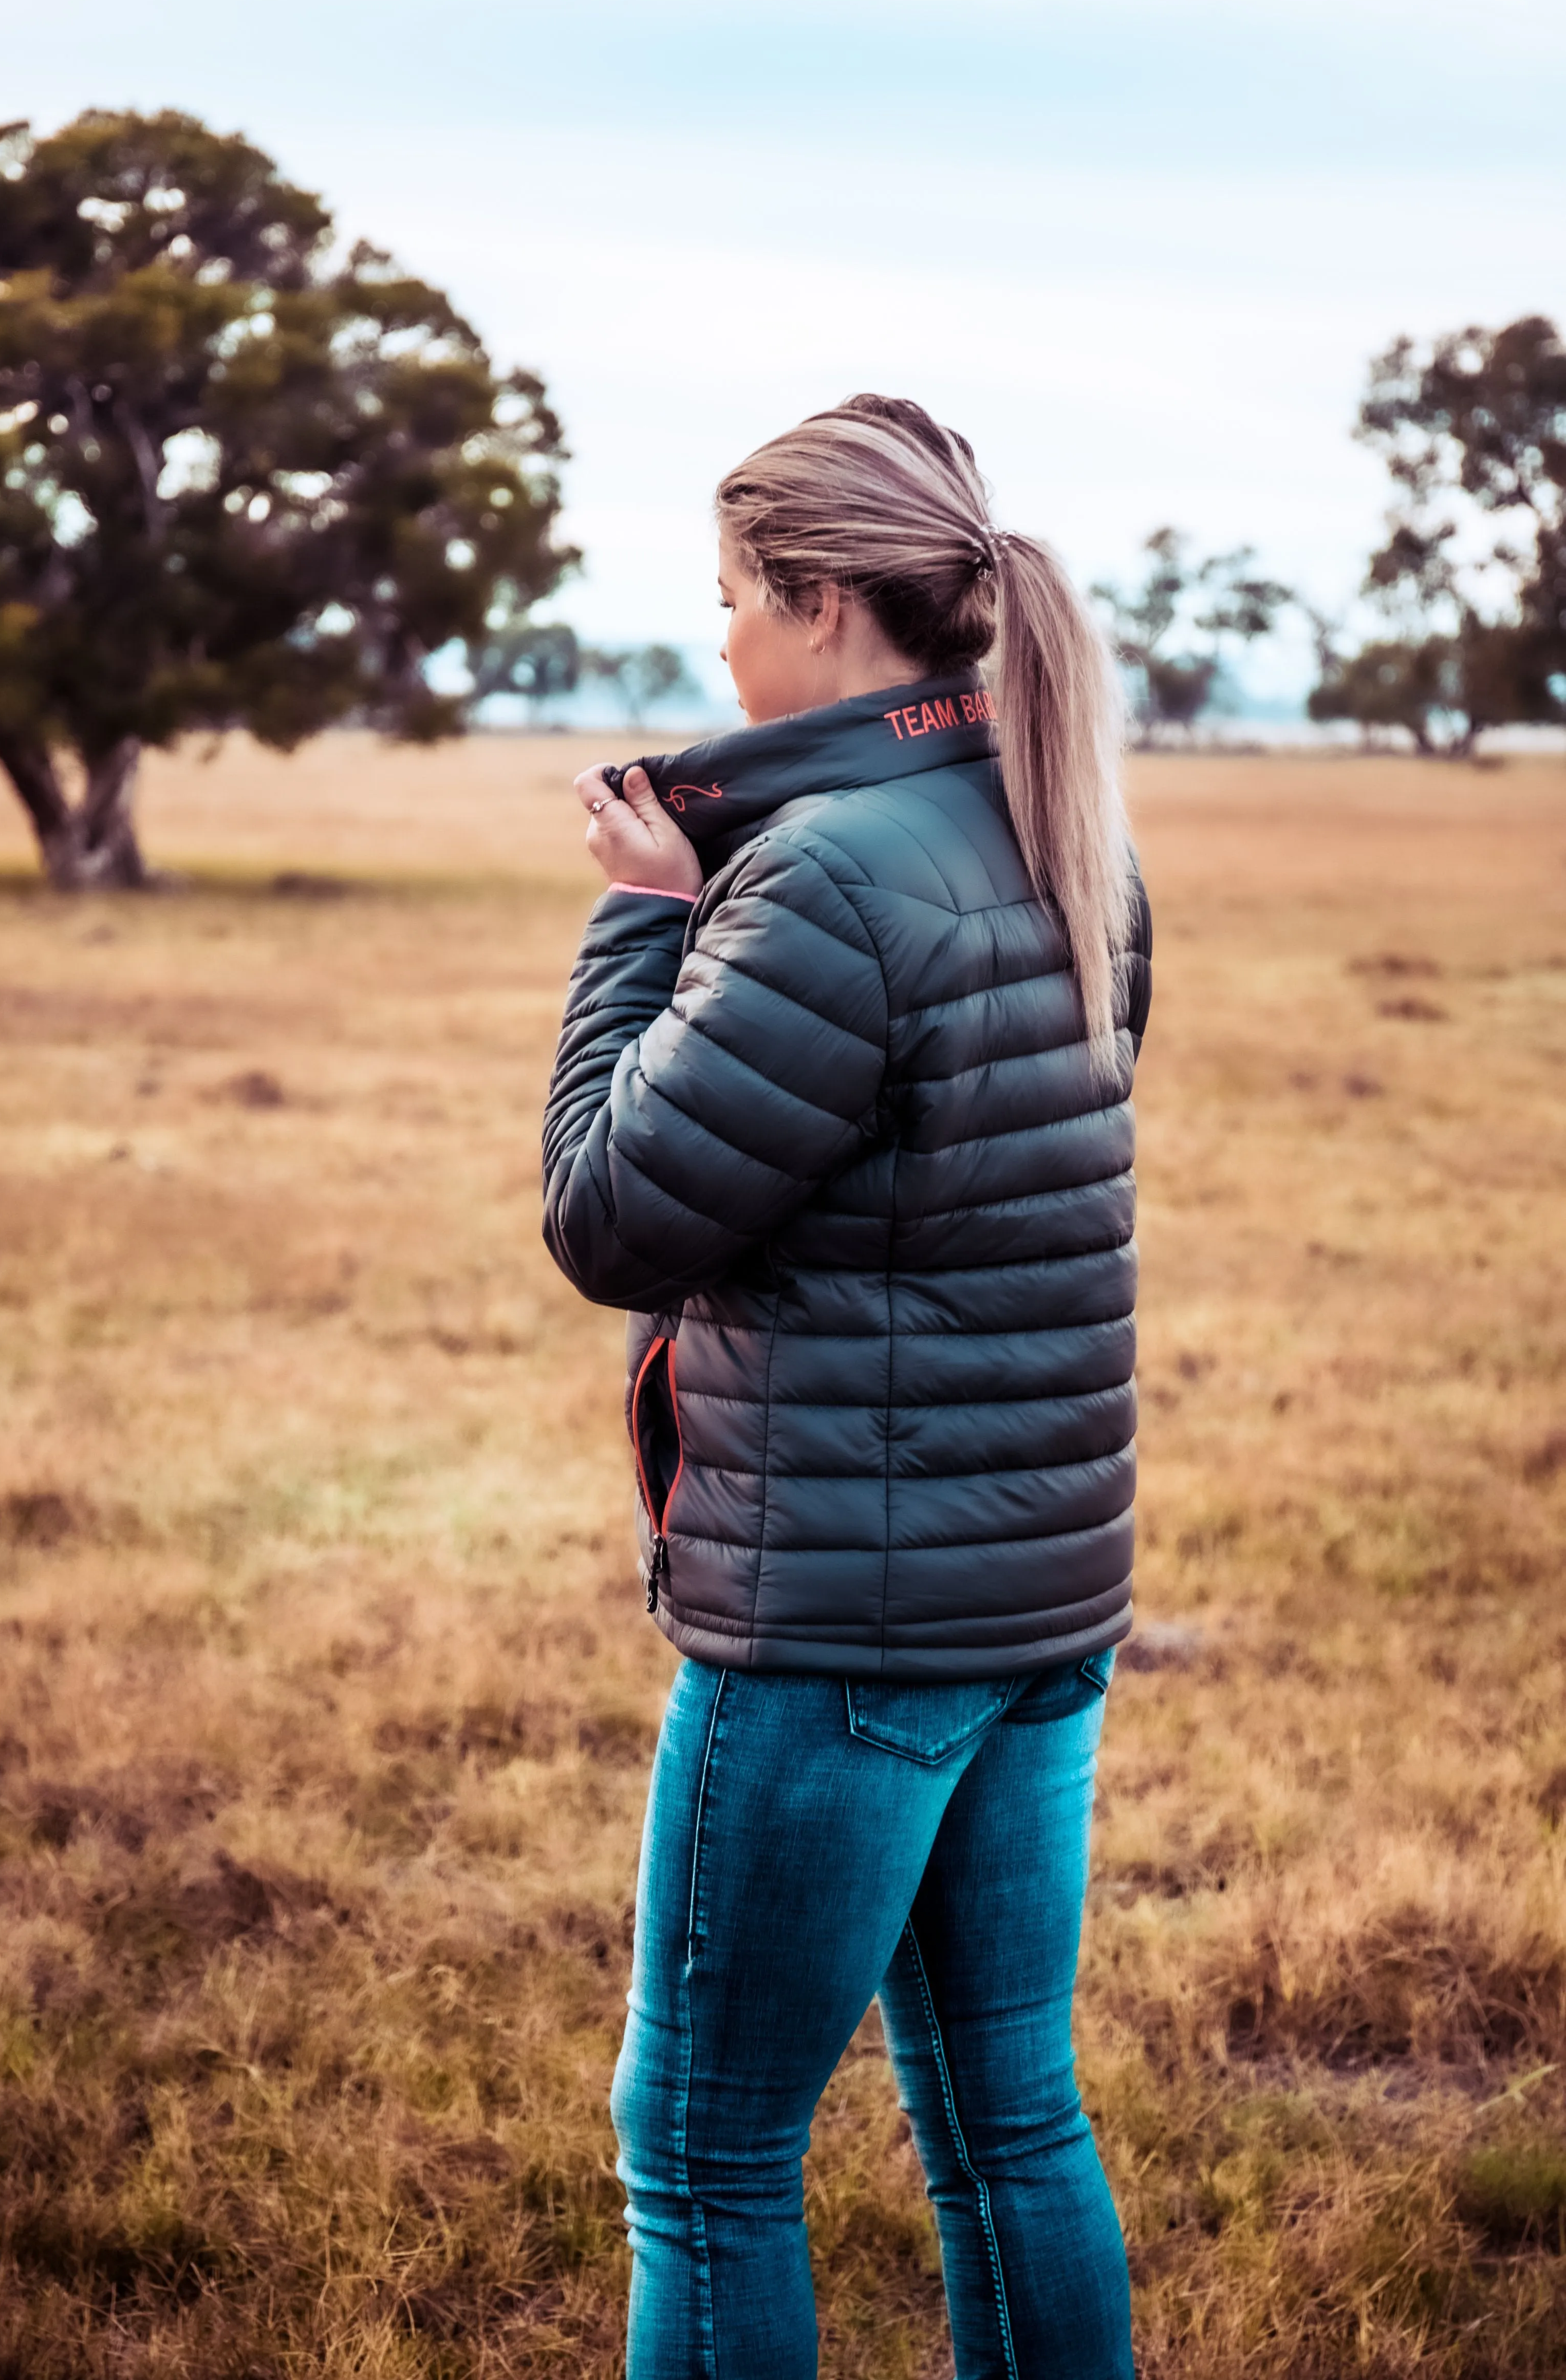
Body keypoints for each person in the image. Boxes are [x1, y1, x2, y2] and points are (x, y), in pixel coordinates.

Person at [540, 395, 1151, 2380]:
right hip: (1032, 1606)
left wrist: (643, 923)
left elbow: (616, 1216)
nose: (716, 643)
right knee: (1012, 2129)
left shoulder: (817, 878)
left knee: (705, 2157)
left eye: (730, 599)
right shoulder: (1061, 824)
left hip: (843, 1630)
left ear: (818, 603)